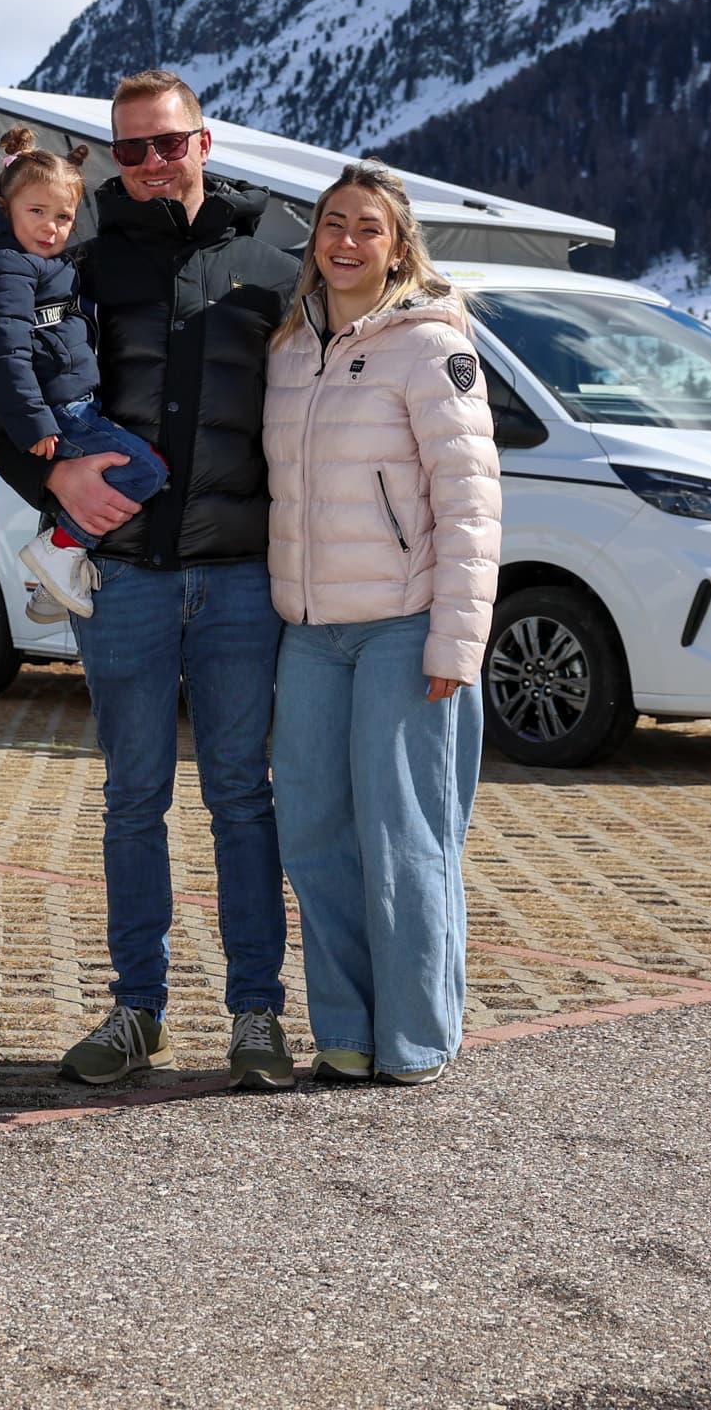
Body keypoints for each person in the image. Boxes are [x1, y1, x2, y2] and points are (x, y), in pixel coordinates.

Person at [0, 70, 299, 1091]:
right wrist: (51, 473)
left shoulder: (279, 250)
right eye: (131, 149)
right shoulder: (75, 250)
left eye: (168, 144)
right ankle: (137, 1009)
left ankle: (256, 1013)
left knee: (243, 801)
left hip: (242, 578)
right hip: (121, 578)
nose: (152, 164)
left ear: (204, 142)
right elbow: (10, 390)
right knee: (132, 799)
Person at [263, 162, 500, 1086]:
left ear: (398, 244)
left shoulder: (430, 344)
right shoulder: (292, 346)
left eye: (368, 227)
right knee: (315, 832)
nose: (347, 242)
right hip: (312, 632)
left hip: (403, 626)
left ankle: (416, 1038)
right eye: (333, 224)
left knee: (405, 836)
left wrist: (457, 638)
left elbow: (472, 502)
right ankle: (345, 1029)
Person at [0, 125, 166, 622]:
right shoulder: (6, 270)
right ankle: (60, 553)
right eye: (36, 212)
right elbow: (3, 355)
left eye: (63, 217)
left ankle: (53, 575)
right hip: (59, 414)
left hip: (67, 405)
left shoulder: (38, 266)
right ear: (6, 209)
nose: (51, 227)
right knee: (147, 470)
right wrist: (32, 422)